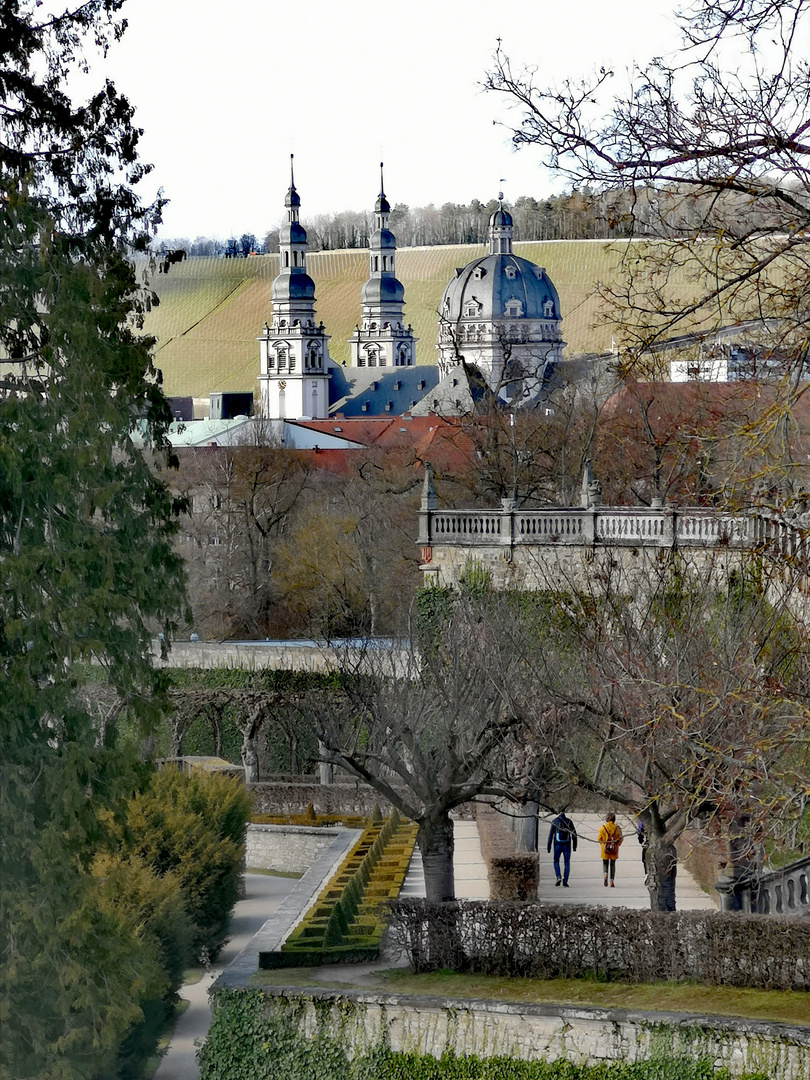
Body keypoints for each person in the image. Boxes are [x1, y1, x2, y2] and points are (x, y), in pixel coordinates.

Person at [547, 809, 578, 888]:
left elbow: (551, 835)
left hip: (557, 844)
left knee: (556, 861)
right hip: (567, 845)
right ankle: (565, 881)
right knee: (567, 862)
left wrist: (549, 847)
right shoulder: (569, 822)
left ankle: (558, 876)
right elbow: (574, 835)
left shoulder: (555, 821)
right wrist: (574, 846)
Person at [597, 812, 623, 887]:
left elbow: (599, 839)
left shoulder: (602, 828)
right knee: (612, 864)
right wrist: (617, 845)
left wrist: (603, 844)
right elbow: (620, 838)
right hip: (614, 849)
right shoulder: (617, 828)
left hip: (604, 849)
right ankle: (612, 880)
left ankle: (605, 874)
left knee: (605, 863)